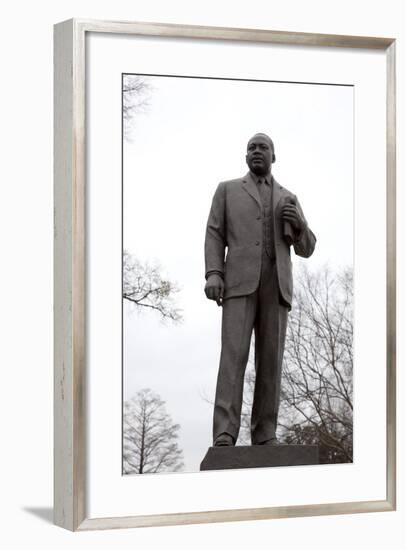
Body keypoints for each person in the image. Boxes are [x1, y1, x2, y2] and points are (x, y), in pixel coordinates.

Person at [204, 133, 316, 447]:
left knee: (271, 361)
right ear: (245, 157)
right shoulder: (227, 190)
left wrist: (300, 226)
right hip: (239, 283)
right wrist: (214, 273)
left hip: (276, 286)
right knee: (233, 357)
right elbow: (214, 234)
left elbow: (307, 248)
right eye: (251, 147)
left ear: (273, 156)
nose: (256, 151)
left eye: (262, 147)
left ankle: (265, 433)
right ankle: (225, 432)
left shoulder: (288, 197)